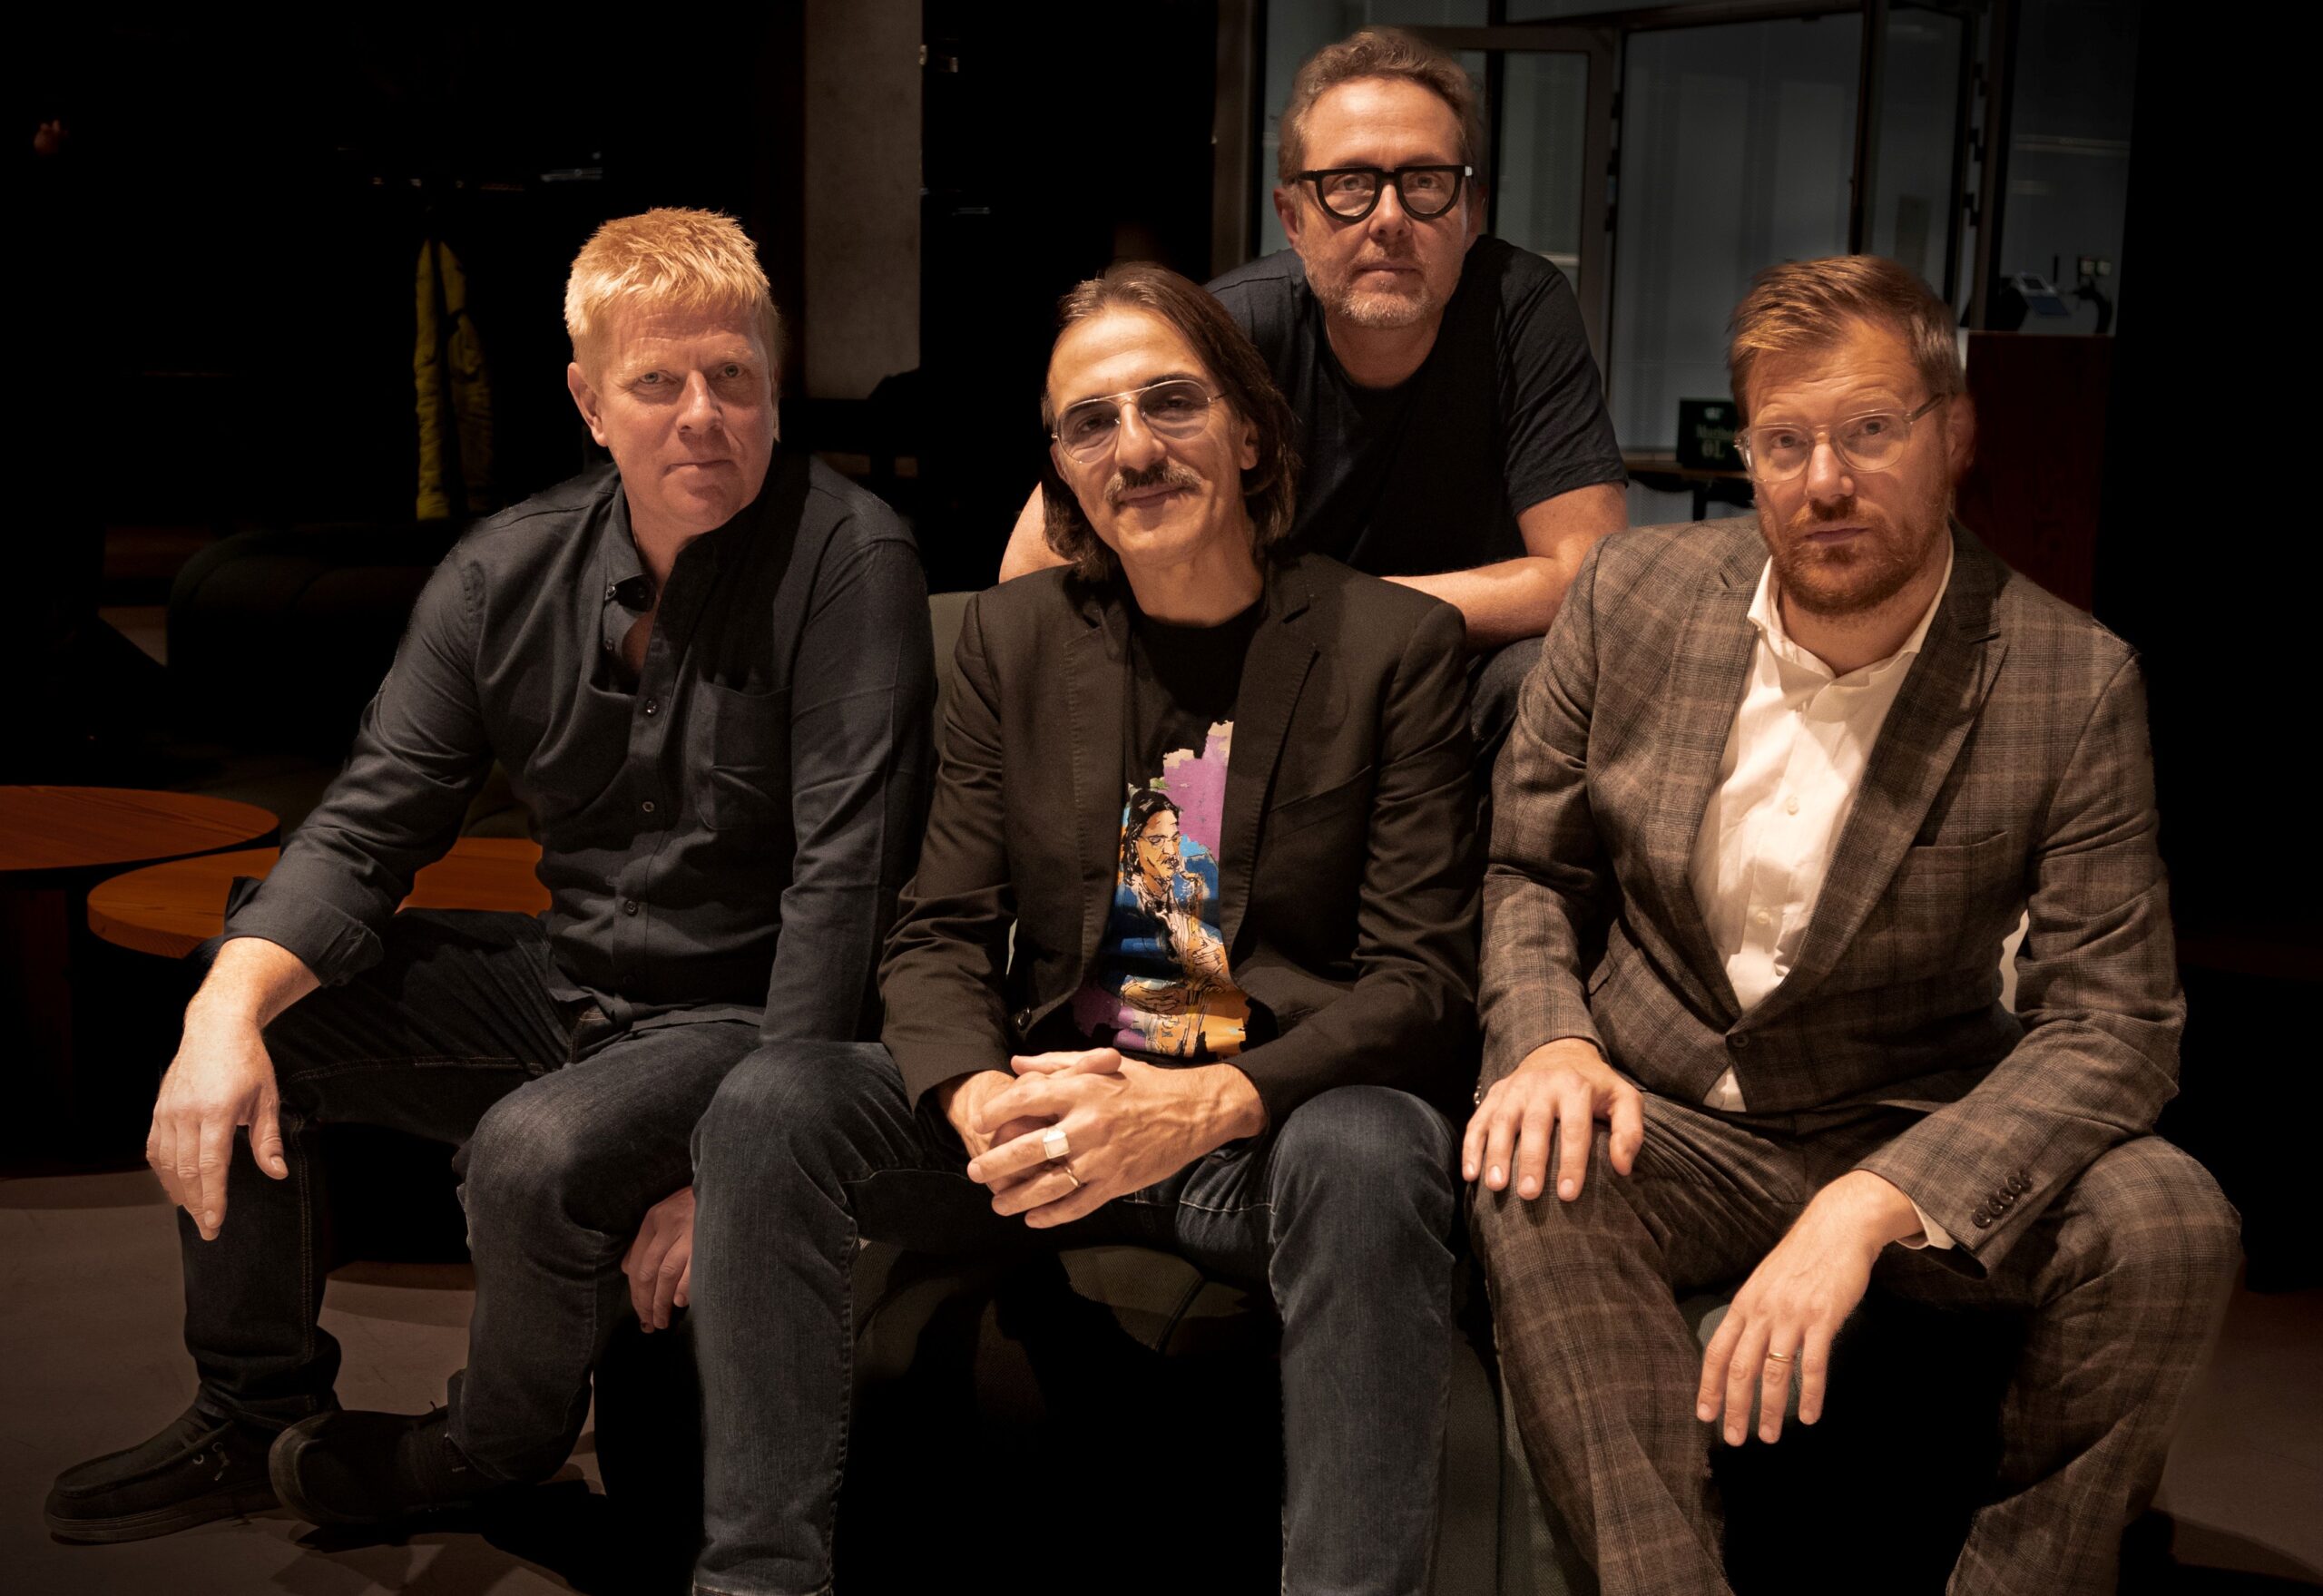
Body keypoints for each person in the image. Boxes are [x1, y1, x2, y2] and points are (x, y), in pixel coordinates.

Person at [44, 208, 934, 1542]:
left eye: (734, 377)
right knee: (257, 1008)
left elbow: (844, 889)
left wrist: (751, 1162)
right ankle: (250, 1408)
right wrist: (224, 1008)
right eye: (658, 381)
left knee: (531, 1147)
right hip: (572, 986)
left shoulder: (852, 557)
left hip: (751, 1016)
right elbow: (368, 823)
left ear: (772, 379)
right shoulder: (502, 570)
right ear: (589, 400)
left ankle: (482, 1449)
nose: (703, 415)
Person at [684, 262, 1479, 1594]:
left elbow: (1422, 982)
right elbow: (939, 929)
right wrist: (979, 1095)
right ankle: (757, 1580)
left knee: (1374, 1142)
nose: (1136, 449)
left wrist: (1205, 1103)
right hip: (1047, 1113)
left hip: (1255, 1135)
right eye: (1090, 422)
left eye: (1171, 403)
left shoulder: (1392, 644)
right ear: (1061, 467)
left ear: (1249, 431)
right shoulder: (1010, 641)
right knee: (771, 1102)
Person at [1465, 255, 2238, 1595]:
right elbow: (1533, 865)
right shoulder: (1629, 597)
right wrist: (1549, 1042)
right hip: (1671, 1119)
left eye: (1870, 429)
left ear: (1955, 432)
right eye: (1786, 441)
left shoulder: (2070, 679)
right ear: (1748, 455)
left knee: (2169, 1219)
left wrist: (1875, 1202)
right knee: (1535, 1163)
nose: (1824, 481)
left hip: (1906, 1118)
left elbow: (2116, 1023)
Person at [999, 27, 1627, 766]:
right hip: (1264, 683)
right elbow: (1030, 567)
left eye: (1426, 182)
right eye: (1350, 184)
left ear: (1472, 213)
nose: (1389, 219)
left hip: (1451, 678)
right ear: (1293, 220)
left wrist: (1351, 620)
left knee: (1548, 675)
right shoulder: (1230, 329)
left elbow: (1583, 574)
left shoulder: (1519, 307)